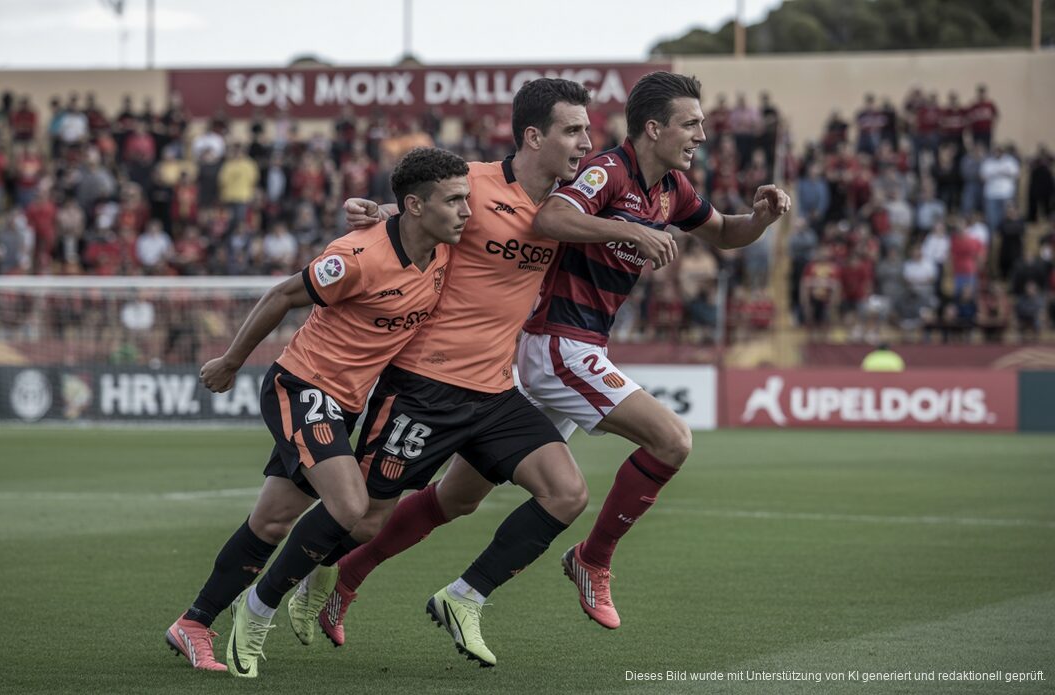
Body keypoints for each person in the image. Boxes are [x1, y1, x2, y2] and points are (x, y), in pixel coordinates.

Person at [306, 73, 784, 648]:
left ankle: (352, 575)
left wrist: (760, 218)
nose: (702, 134)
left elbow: (725, 233)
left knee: (457, 498)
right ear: (653, 128)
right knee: (672, 440)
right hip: (558, 341)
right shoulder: (607, 172)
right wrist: (628, 228)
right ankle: (590, 559)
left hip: (556, 351)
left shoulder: (673, 188)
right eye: (691, 123)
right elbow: (541, 216)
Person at [293, 79, 646, 669]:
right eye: (573, 130)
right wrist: (375, 212)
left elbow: (662, 209)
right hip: (424, 386)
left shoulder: (571, 207)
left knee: (565, 493)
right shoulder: (476, 184)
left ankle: (464, 597)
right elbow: (415, 218)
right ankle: (285, 587)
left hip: (495, 389)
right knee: (364, 516)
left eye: (588, 130)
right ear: (534, 136)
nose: (587, 143)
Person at [163, 147, 468, 678]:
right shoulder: (357, 257)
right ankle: (261, 606)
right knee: (351, 504)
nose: (467, 209)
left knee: (274, 519)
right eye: (455, 200)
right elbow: (283, 294)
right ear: (417, 206)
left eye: (467, 197)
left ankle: (194, 623)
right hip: (301, 386)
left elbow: (431, 215)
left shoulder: (440, 247)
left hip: (343, 403)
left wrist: (382, 209)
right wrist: (231, 361)